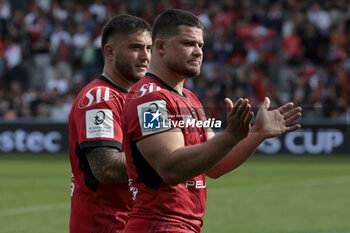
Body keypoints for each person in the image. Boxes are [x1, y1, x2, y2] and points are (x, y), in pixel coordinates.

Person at [121, 9, 302, 233]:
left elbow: (215, 166)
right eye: (188, 43)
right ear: (160, 47)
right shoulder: (150, 99)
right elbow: (171, 168)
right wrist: (231, 136)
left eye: (201, 45)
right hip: (157, 225)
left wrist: (257, 133)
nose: (198, 52)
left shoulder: (191, 100)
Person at [68, 14, 152, 233]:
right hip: (104, 225)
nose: (145, 56)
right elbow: (106, 168)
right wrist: (166, 155)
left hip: (132, 223)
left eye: (149, 48)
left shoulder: (140, 98)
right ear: (110, 51)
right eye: (136, 48)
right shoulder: (99, 98)